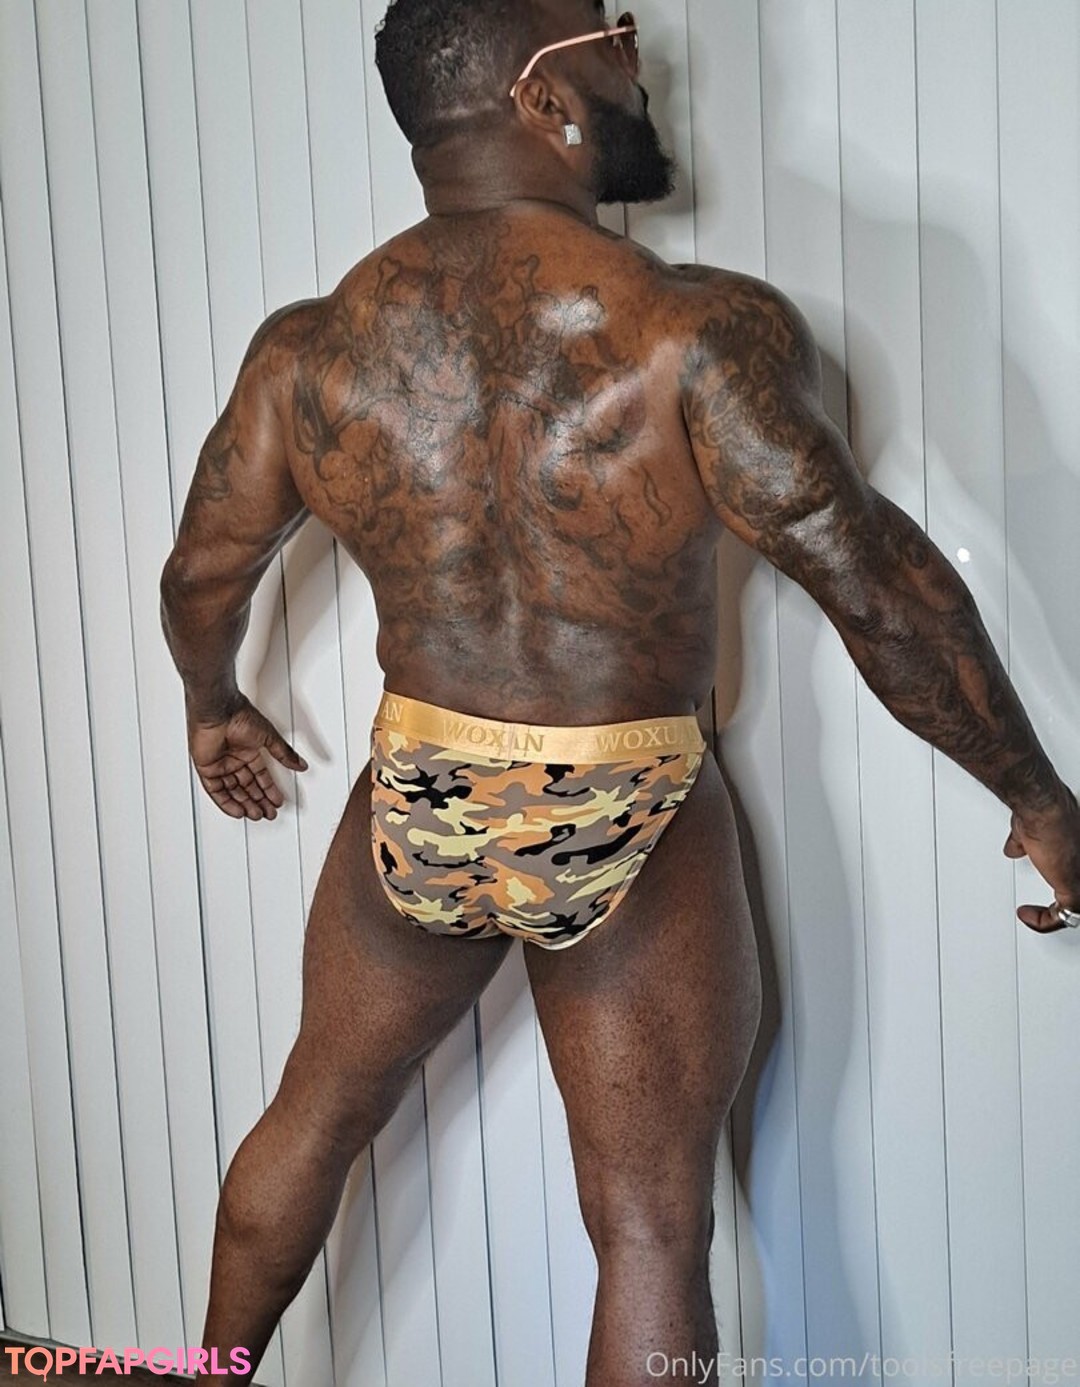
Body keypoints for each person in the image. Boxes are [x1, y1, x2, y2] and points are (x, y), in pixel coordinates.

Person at [159, 0, 1080, 1381]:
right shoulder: (692, 329)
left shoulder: (310, 351)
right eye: (610, 38)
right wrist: (1039, 798)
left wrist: (211, 705)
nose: (636, 62)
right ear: (541, 97)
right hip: (626, 785)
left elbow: (199, 575)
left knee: (315, 1113)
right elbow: (876, 586)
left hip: (424, 784)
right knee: (650, 1228)